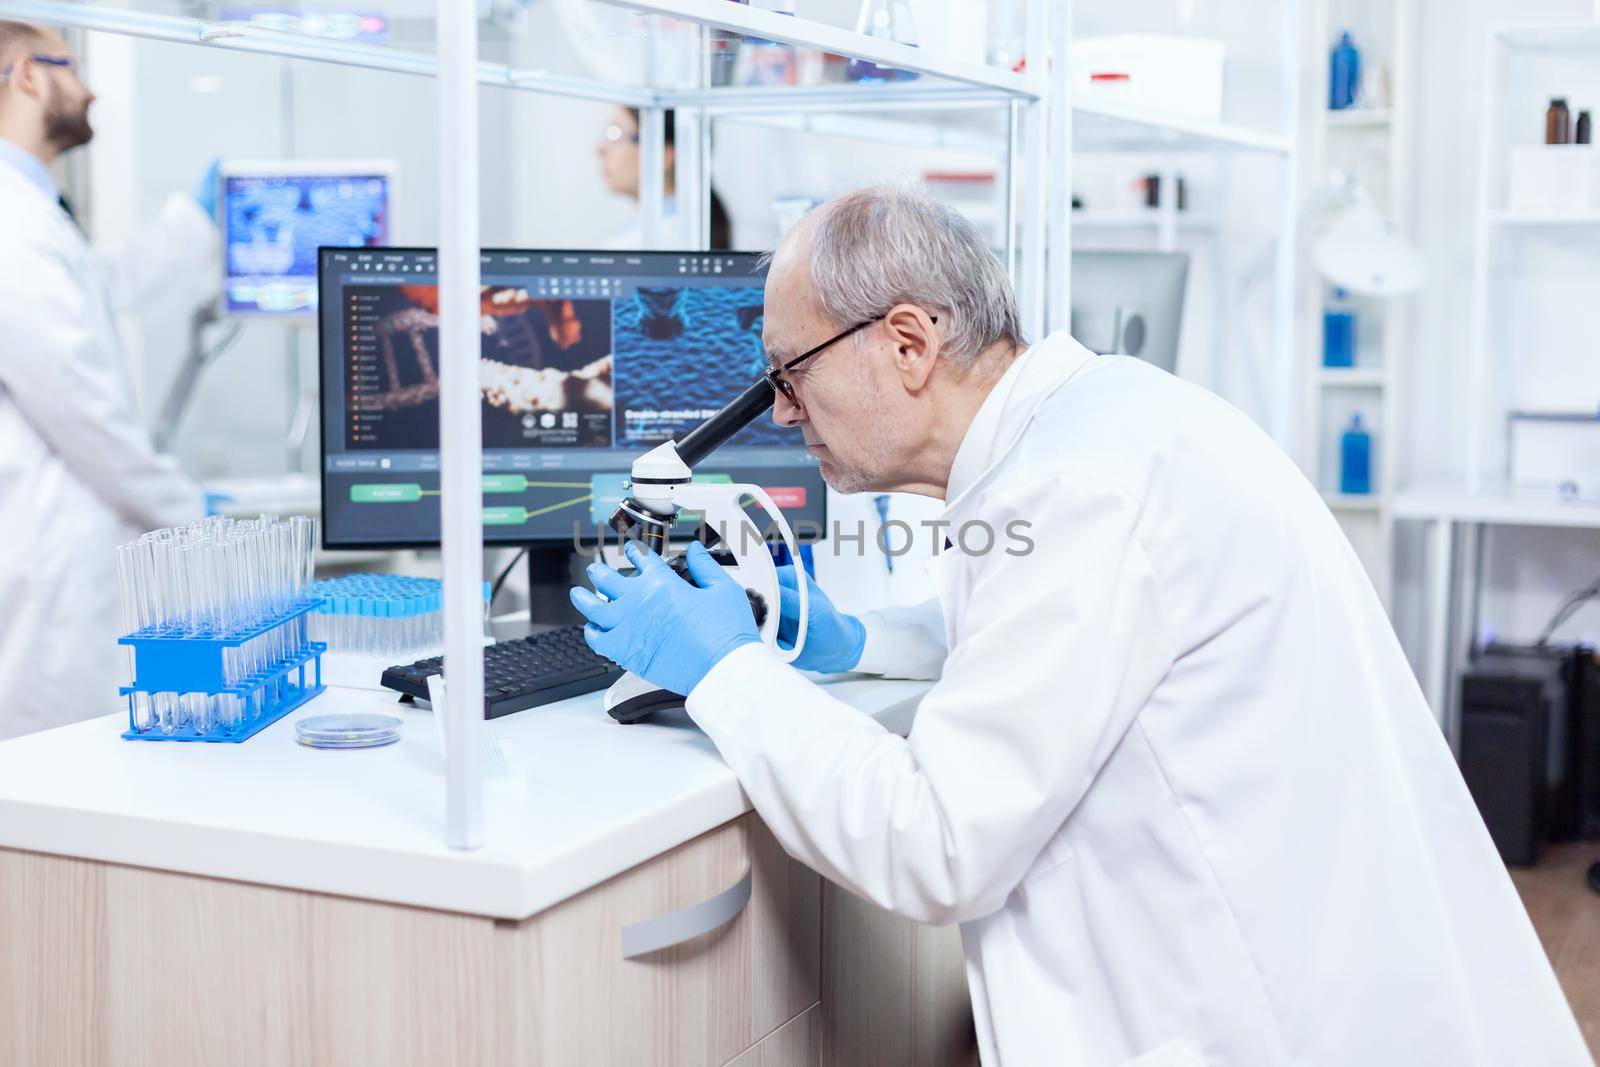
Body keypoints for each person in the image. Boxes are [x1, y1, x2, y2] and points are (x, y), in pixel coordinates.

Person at [571, 186, 1591, 1065]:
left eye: (789, 373)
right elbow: (1069, 642)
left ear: (910, 342)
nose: (785, 414)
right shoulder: (1096, 426)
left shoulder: (1073, 490)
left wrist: (727, 670)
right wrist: (858, 638)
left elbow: (933, 844)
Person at [0, 21, 217, 741]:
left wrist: (192, 220)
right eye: (73, 68)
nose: (89, 89)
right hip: (45, 566)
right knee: (55, 797)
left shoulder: (33, 215)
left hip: (61, 554)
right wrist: (189, 513)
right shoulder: (12, 222)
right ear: (29, 74)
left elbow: (96, 284)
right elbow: (82, 407)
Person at [595, 105, 732, 250]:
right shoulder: (692, 228)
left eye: (616, 133)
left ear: (662, 155)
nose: (600, 148)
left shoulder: (645, 244)